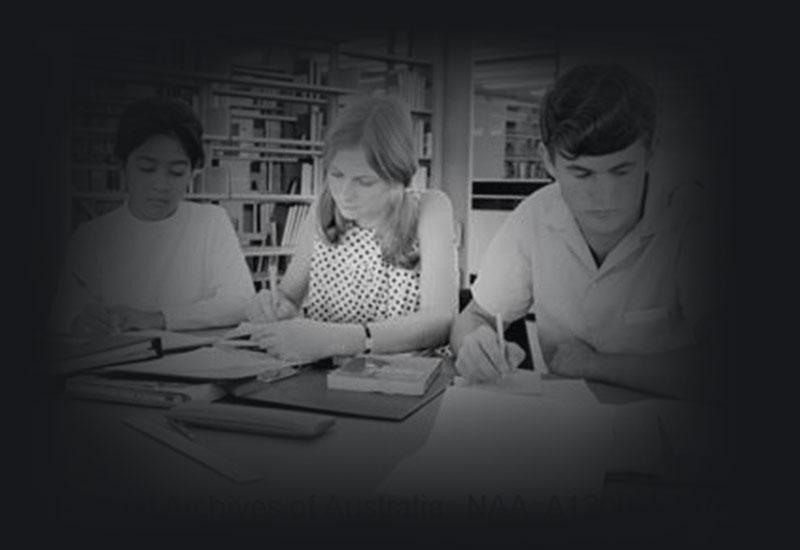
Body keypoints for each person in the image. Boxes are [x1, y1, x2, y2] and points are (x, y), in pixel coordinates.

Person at [450, 64, 717, 401]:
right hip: (566, 430)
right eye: (581, 173)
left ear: (651, 152)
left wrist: (591, 364)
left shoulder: (694, 216)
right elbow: (474, 316)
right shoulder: (535, 215)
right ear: (547, 161)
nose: (604, 197)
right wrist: (474, 345)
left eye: (622, 171)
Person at [246, 95, 457, 363]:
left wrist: (337, 340)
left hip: (409, 379)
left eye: (364, 181)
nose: (344, 193)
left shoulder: (430, 208)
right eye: (336, 175)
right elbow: (288, 297)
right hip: (326, 378)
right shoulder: (321, 212)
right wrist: (273, 306)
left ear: (398, 178)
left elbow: (440, 320)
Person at [50, 96, 255, 334]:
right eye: (146, 169)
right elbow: (61, 319)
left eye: (176, 172)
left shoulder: (211, 222)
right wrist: (78, 322)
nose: (161, 184)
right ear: (122, 165)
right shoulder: (90, 237)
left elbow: (241, 302)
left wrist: (157, 319)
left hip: (195, 363)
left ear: (193, 172)